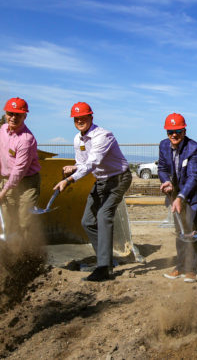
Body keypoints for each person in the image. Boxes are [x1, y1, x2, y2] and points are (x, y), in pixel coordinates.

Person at [54, 102, 132, 282]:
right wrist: (74, 168)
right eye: (77, 119)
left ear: (91, 117)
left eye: (83, 117)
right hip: (102, 181)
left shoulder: (103, 136)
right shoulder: (77, 139)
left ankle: (104, 268)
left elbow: (92, 163)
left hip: (118, 179)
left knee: (104, 215)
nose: (80, 121)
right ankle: (105, 260)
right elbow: (83, 163)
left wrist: (69, 180)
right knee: (87, 221)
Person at [158, 113, 197, 283]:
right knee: (180, 231)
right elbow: (162, 168)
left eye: (178, 131)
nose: (174, 135)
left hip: (194, 195)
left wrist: (181, 197)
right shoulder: (163, 145)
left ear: (184, 130)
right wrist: (166, 181)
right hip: (176, 196)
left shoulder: (194, 148)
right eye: (170, 131)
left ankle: (191, 270)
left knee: (191, 231)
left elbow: (194, 176)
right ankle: (180, 267)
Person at [0, 97, 41, 240]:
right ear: (5, 114)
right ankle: (10, 254)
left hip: (27, 183)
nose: (13, 117)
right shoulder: (3, 130)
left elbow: (19, 170)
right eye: (10, 113)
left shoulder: (26, 139)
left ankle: (27, 255)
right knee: (7, 217)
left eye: (18, 114)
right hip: (6, 179)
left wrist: (3, 192)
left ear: (25, 116)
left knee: (24, 220)